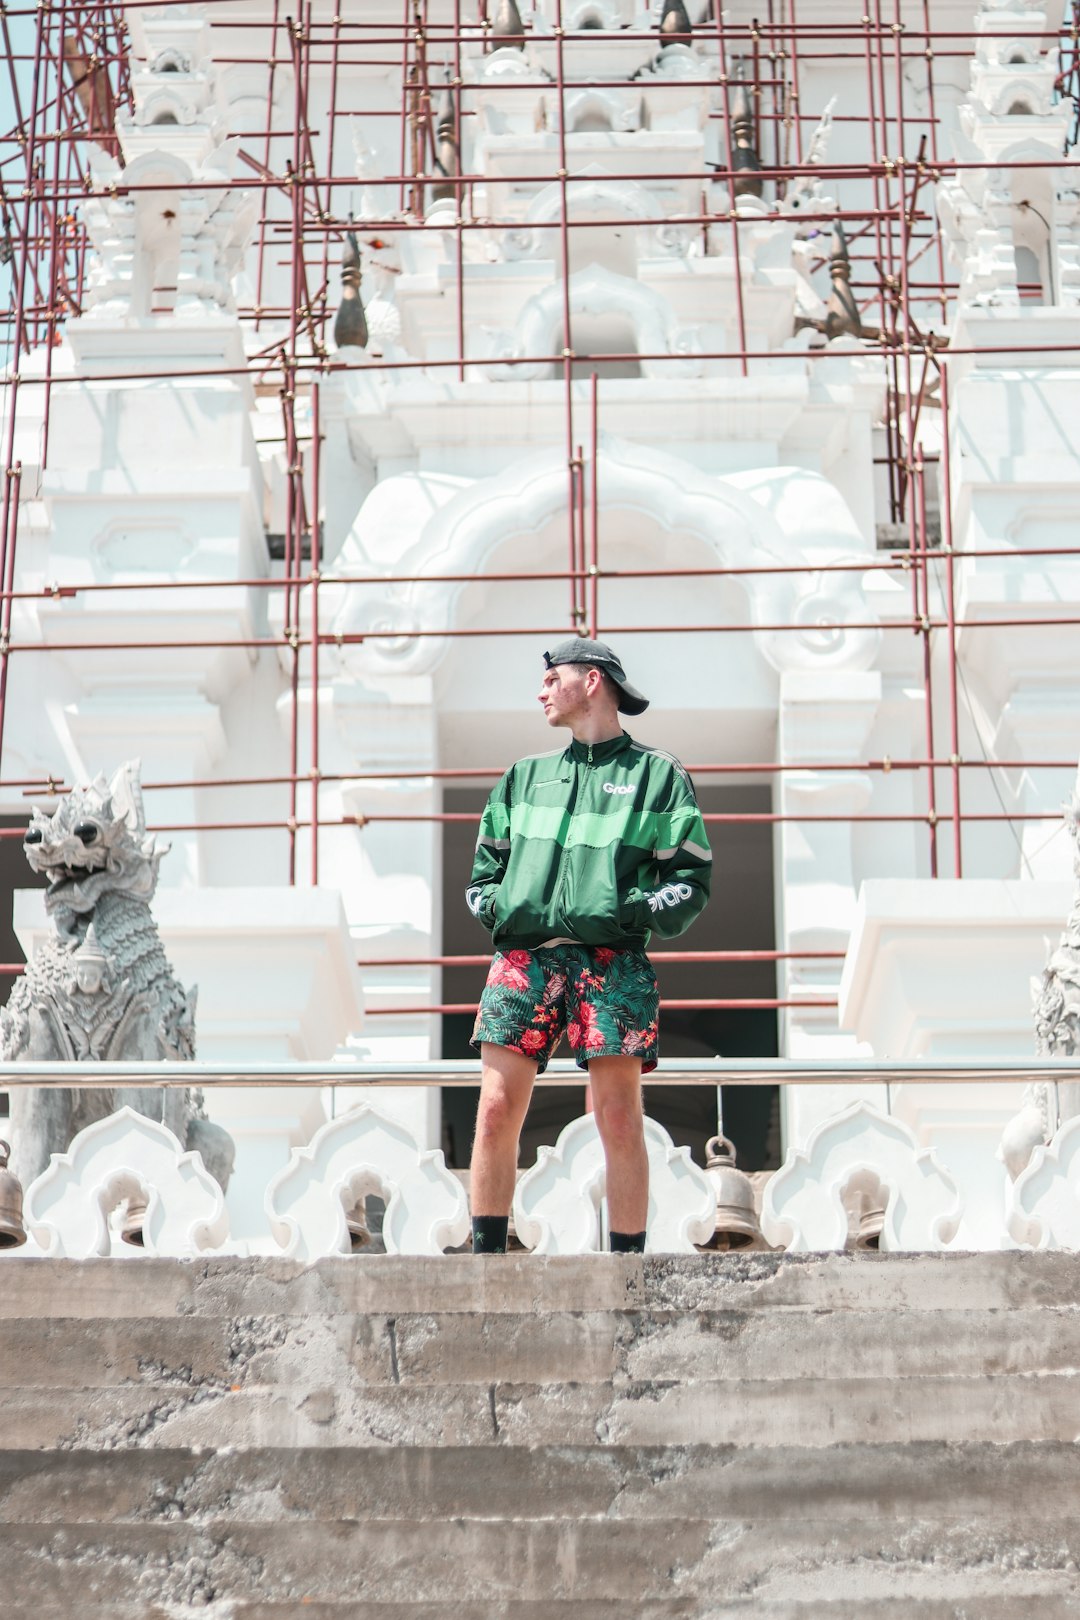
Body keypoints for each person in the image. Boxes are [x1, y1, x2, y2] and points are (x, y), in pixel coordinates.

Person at [465, 637, 712, 1254]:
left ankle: (628, 1272)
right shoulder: (523, 779)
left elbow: (691, 878)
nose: (542, 689)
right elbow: (482, 875)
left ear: (593, 681)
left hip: (613, 960)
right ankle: (485, 1264)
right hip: (525, 959)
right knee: (495, 1109)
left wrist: (630, 910)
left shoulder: (658, 776)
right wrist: (498, 907)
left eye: (552, 677)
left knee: (620, 1118)